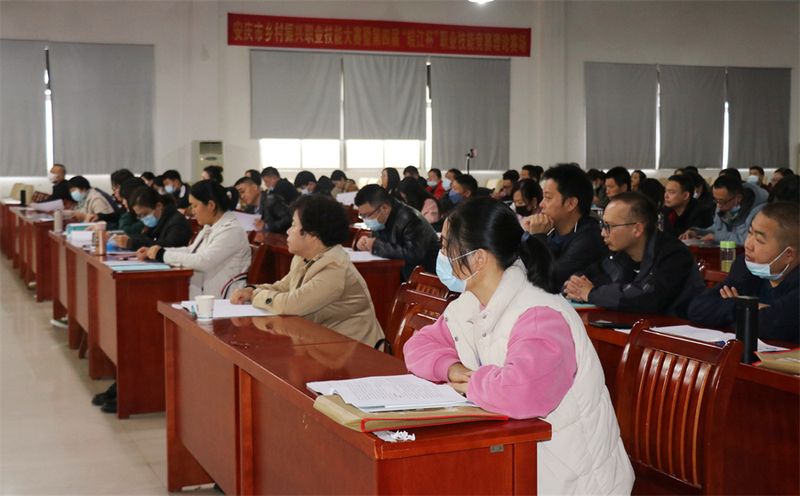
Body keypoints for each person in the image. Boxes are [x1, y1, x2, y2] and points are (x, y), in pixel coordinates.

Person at [403, 197, 634, 495]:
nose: (442, 254)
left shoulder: (539, 314)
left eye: (447, 246)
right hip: (519, 461)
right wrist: (453, 369)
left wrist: (473, 383)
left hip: (571, 479)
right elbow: (418, 346)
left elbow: (522, 391)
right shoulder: (471, 301)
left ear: (478, 259)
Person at [230, 195, 385, 347]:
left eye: (293, 225)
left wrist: (257, 296)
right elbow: (283, 287)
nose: (288, 231)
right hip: (323, 345)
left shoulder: (334, 268)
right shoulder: (304, 257)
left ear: (313, 235)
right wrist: (251, 290)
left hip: (355, 352)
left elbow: (292, 304)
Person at [565, 192, 705, 319]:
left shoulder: (674, 255)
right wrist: (575, 286)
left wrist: (592, 294)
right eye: (603, 225)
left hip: (676, 331)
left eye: (609, 226)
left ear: (637, 229)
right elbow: (588, 276)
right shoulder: (619, 254)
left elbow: (650, 298)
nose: (603, 233)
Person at [688, 202, 799, 344]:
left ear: (789, 254)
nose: (747, 244)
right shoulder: (745, 267)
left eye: (759, 240)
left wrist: (730, 313)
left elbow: (771, 326)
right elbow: (697, 308)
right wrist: (741, 304)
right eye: (750, 233)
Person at [138, 180, 251, 298]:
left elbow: (204, 261)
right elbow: (191, 250)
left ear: (211, 205)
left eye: (195, 205)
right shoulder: (210, 226)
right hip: (207, 296)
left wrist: (162, 254)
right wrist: (156, 251)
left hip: (225, 300)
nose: (192, 211)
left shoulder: (232, 230)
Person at [524, 164, 608, 288]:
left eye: (548, 198)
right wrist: (528, 237)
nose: (541, 204)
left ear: (571, 204)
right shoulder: (552, 232)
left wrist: (538, 237)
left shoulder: (589, 239)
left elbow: (549, 281)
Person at [354, 184, 440, 280]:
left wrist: (376, 246)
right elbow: (374, 240)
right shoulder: (382, 219)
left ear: (384, 208)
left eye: (367, 215)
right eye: (361, 216)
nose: (365, 220)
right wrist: (362, 244)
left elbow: (414, 254)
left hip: (424, 278)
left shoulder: (410, 219)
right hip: (399, 274)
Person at [680, 175, 768, 245]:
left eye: (722, 202)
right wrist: (698, 232)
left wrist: (716, 237)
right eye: (716, 200)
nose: (718, 205)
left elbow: (752, 239)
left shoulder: (759, 212)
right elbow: (716, 229)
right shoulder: (722, 205)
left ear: (738, 198)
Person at [115, 186, 193, 252]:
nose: (144, 219)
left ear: (158, 206)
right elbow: (145, 237)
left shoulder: (177, 223)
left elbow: (169, 248)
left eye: (145, 214)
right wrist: (123, 239)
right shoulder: (160, 220)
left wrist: (133, 243)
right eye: (140, 216)